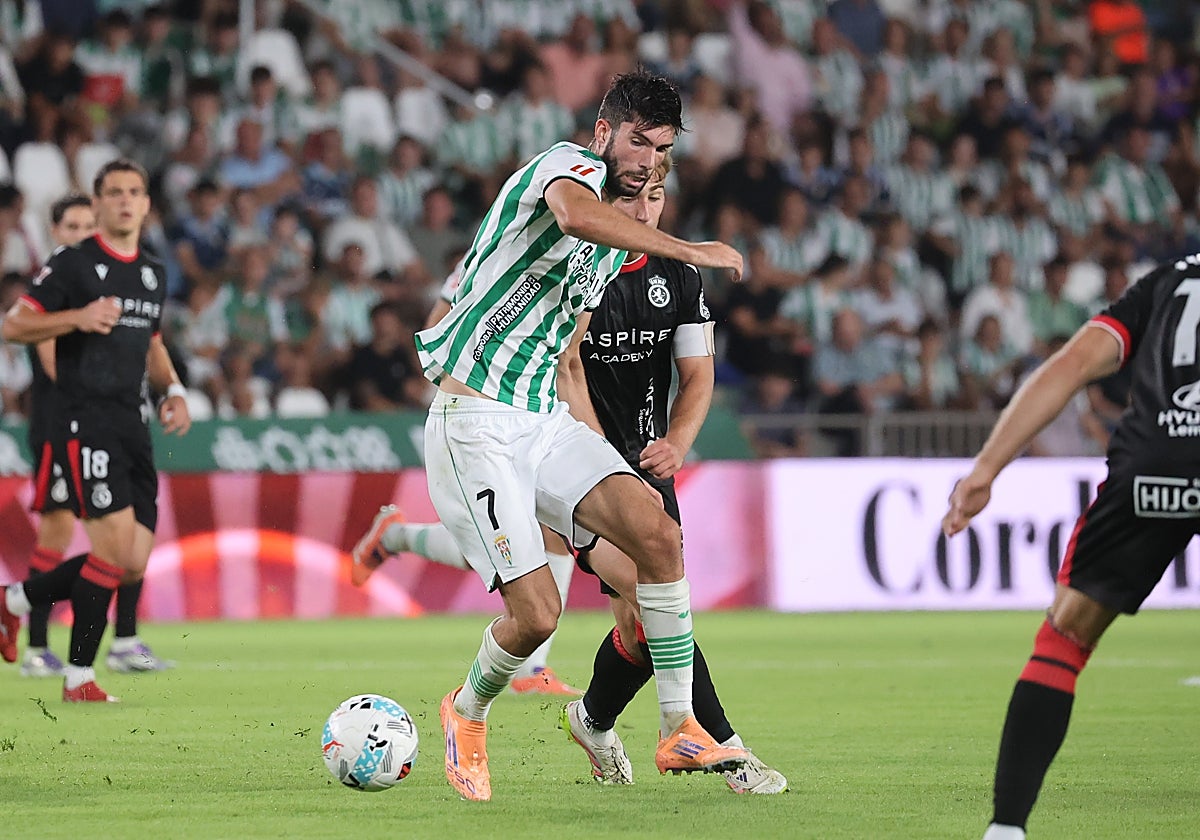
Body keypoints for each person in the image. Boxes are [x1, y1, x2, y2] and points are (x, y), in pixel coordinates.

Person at [366, 69, 748, 801]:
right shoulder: (561, 166)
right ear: (605, 132)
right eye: (637, 140)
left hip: (542, 418)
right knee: (539, 612)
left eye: (659, 150)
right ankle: (466, 709)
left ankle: (680, 728)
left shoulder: (610, 250)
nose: (643, 160)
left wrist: (600, 444)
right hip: (473, 420)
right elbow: (574, 216)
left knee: (658, 536)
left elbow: (568, 338)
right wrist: (689, 249)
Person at [942, 253, 1200, 839]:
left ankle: (1006, 830)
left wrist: (986, 468)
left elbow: (1075, 362)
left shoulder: (1170, 280)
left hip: (1153, 469)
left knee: (1064, 639)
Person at [558, 157, 787, 794]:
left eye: (653, 200)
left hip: (646, 462)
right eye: (629, 200)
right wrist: (599, 465)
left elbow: (698, 373)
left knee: (638, 625)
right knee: (660, 596)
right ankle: (727, 749)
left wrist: (679, 441)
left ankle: (592, 718)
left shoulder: (679, 278)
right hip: (574, 467)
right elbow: (564, 366)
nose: (641, 212)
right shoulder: (571, 271)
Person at [0, 160, 192, 703]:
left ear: (147, 203)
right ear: (99, 202)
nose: (125, 202)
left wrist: (172, 391)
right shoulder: (73, 265)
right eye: (114, 193)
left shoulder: (152, 272)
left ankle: (13, 602)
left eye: (135, 192)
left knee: (131, 560)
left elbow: (150, 343)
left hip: (135, 425)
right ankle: (78, 676)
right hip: (88, 424)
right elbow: (14, 323)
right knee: (110, 552)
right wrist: (77, 318)